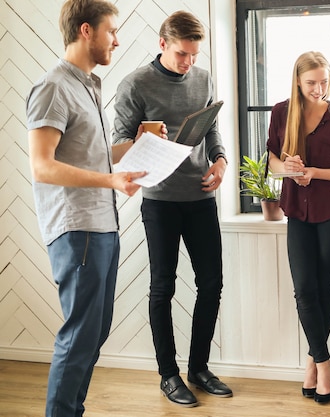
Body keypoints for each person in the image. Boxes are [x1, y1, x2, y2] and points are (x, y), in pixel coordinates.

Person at [25, 1, 146, 416]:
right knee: (79, 336)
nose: (117, 39)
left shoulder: (88, 86)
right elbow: (42, 167)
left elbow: (92, 157)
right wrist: (112, 180)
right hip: (77, 229)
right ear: (86, 31)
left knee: (92, 335)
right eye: (112, 30)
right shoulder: (54, 86)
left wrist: (136, 144)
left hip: (101, 227)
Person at [113, 10, 230, 407]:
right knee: (162, 287)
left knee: (211, 284)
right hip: (160, 201)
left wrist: (221, 161)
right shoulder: (135, 84)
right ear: (162, 44)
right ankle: (169, 375)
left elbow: (211, 128)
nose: (189, 63)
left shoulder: (202, 77)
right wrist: (147, 135)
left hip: (201, 197)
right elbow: (116, 147)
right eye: (182, 54)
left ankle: (199, 368)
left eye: (194, 55)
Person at [266, 51, 330, 404]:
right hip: (296, 212)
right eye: (311, 83)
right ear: (298, 82)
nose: (319, 89)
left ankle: (314, 363)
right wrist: (287, 169)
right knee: (304, 289)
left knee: (324, 286)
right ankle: (323, 360)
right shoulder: (281, 112)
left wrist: (313, 172)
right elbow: (270, 160)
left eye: (324, 82)